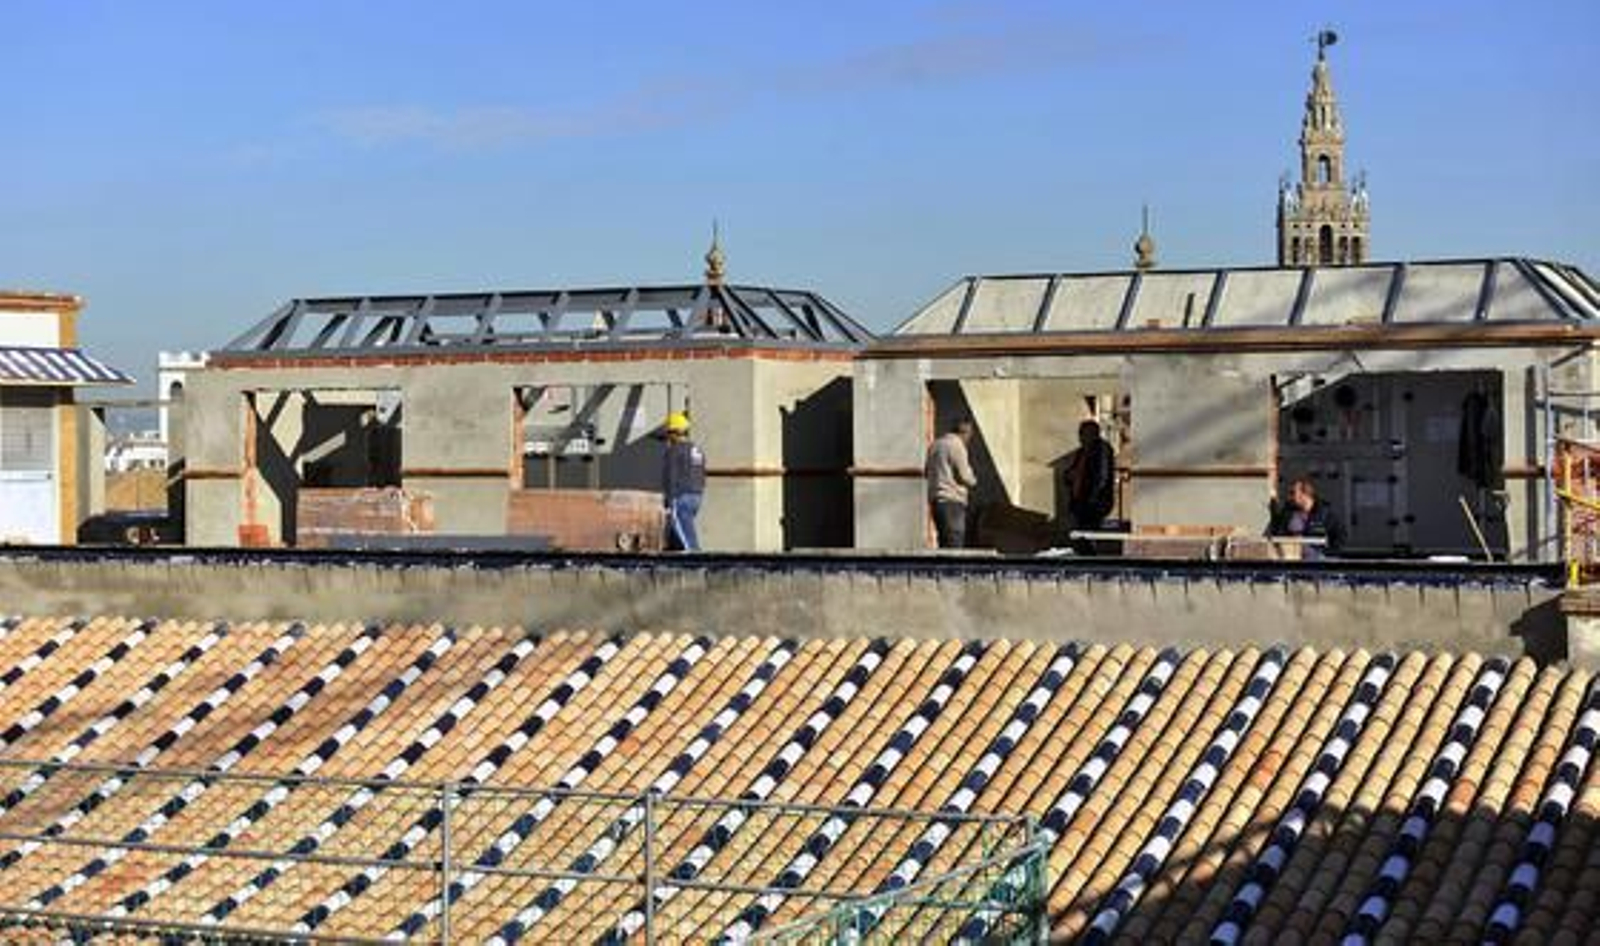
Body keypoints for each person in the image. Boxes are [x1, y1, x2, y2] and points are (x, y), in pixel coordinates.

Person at [925, 419, 978, 548]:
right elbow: (965, 477)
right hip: (952, 501)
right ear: (965, 432)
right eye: (970, 435)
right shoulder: (956, 445)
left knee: (944, 542)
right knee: (955, 544)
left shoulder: (935, 445)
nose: (969, 440)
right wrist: (974, 480)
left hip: (936, 501)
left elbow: (927, 472)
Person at [1267, 476, 1345, 558]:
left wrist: (1328, 554)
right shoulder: (1288, 512)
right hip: (1292, 560)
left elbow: (1340, 536)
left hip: (1317, 562)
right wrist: (1273, 511)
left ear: (1305, 494)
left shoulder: (1324, 513)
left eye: (1293, 493)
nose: (1290, 497)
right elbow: (1276, 532)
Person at [661, 411, 706, 551]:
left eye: (668, 433)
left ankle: (698, 566)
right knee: (680, 534)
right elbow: (701, 474)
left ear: (674, 433)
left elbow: (670, 476)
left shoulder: (674, 450)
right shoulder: (697, 450)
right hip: (696, 497)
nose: (667, 437)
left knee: (688, 541)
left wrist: (668, 499)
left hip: (680, 497)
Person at [1063, 420, 1117, 532]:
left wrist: (1094, 498)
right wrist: (1068, 476)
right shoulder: (1082, 451)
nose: (1080, 437)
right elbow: (1074, 470)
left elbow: (1102, 476)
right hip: (1081, 501)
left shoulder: (1102, 449)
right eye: (1080, 433)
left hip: (1094, 503)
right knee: (1082, 532)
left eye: (1083, 433)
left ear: (1094, 434)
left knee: (1089, 533)